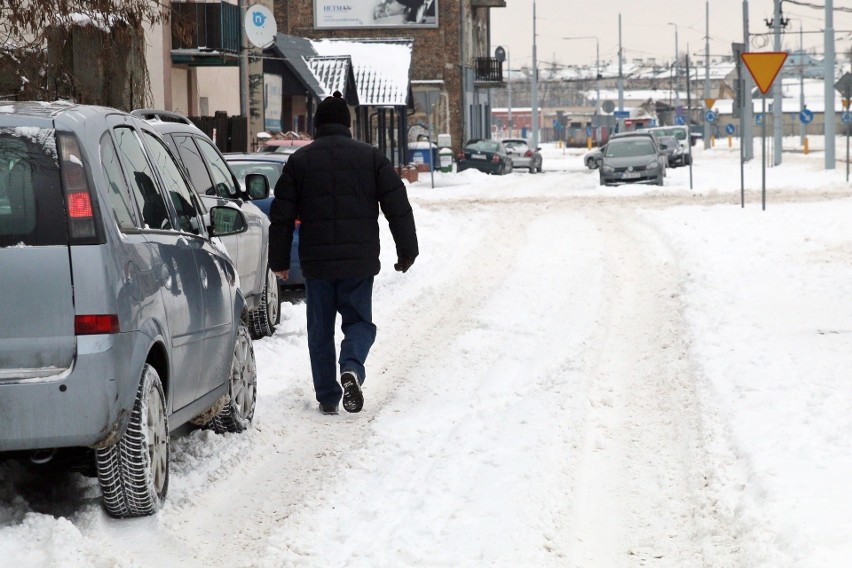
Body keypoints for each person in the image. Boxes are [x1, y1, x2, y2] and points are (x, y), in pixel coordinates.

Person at [268, 91, 418, 416]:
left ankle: (327, 395)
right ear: (348, 125)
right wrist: (407, 250)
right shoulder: (371, 158)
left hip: (317, 263)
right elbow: (398, 206)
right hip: (359, 261)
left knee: (320, 328)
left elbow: (281, 215)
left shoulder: (300, 161)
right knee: (359, 322)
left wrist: (279, 261)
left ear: (318, 125)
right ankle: (351, 367)